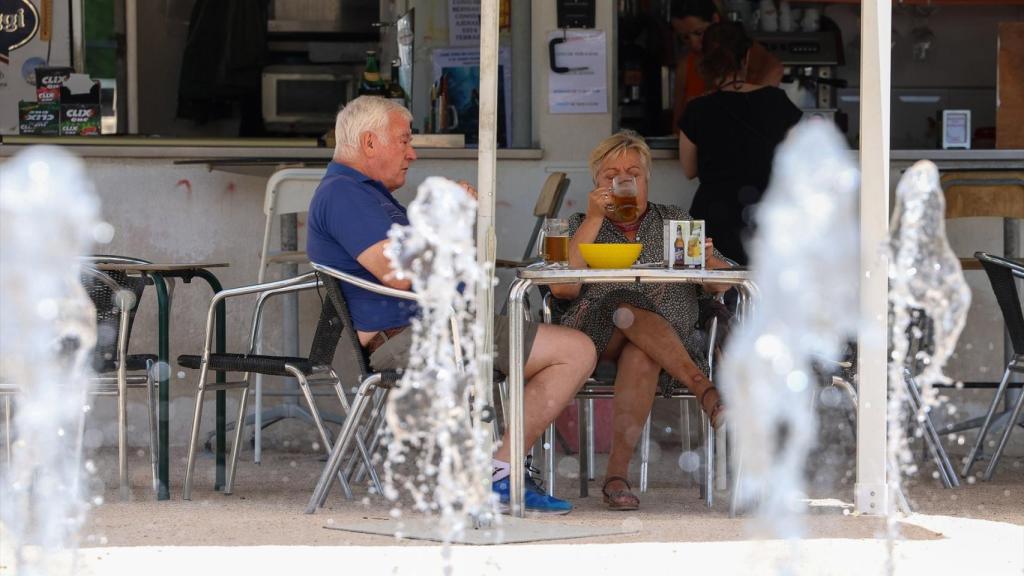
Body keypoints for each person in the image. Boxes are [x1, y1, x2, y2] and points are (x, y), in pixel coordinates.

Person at [306, 96, 597, 515]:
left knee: (571, 347)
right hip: (415, 338)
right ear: (369, 144)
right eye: (403, 141)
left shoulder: (364, 194)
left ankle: (498, 471)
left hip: (435, 329)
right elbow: (399, 273)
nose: (412, 153)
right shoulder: (345, 194)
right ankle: (499, 474)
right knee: (575, 351)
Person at [548, 130, 731, 511]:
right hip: (596, 337)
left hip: (667, 340)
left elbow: (719, 285)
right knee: (622, 303)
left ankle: (616, 478)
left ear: (648, 179)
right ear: (596, 184)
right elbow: (563, 290)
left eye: (633, 173)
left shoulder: (675, 220)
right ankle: (705, 390)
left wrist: (711, 262)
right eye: (610, 175)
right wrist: (596, 219)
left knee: (642, 352)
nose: (623, 182)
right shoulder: (581, 223)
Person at [678, 21, 802, 265]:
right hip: (766, 217)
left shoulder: (697, 109)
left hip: (709, 221)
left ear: (705, 60)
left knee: (704, 295)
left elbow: (689, 169)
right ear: (746, 56)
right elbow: (798, 162)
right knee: (764, 294)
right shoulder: (777, 101)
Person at [670, 0, 783, 129]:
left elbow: (775, 69)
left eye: (699, 33)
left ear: (715, 19)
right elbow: (678, 122)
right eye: (685, 37)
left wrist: (749, 110)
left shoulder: (741, 49)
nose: (694, 43)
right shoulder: (685, 65)